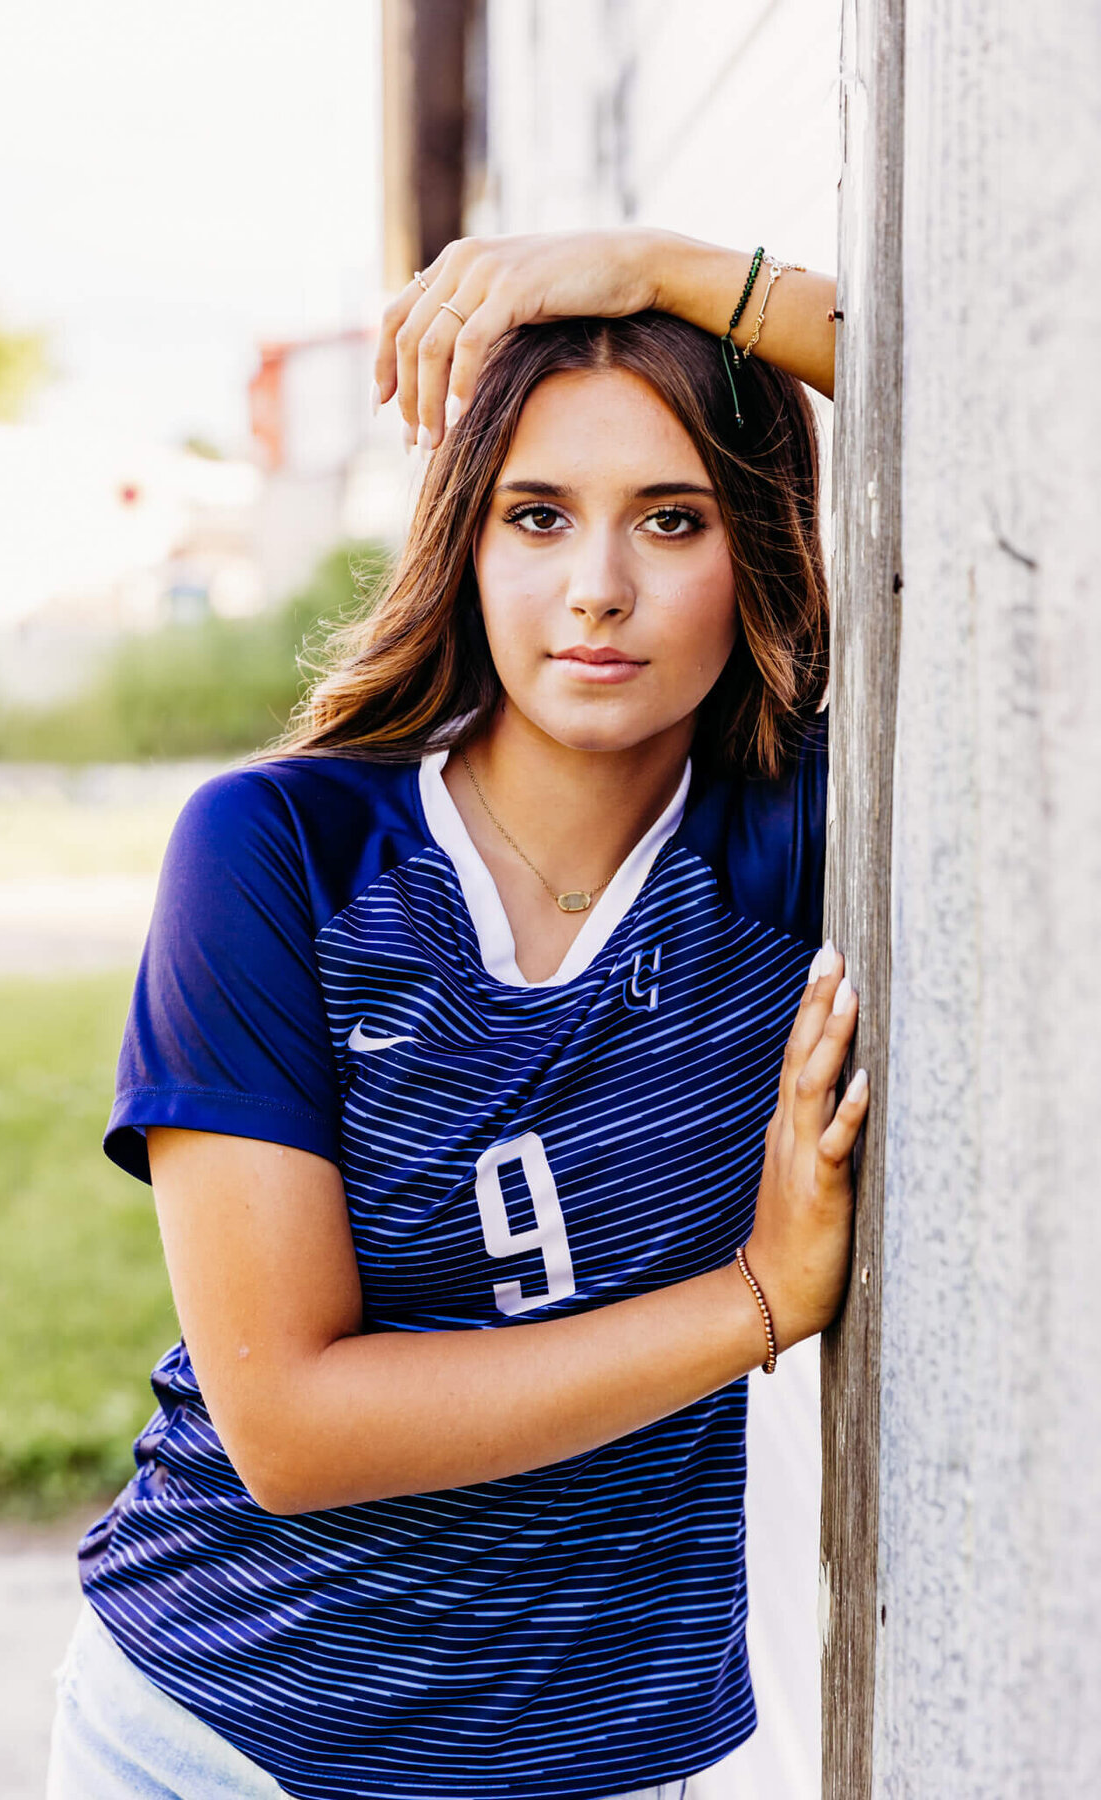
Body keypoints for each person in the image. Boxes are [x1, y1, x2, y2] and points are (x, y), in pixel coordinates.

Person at [46, 228, 867, 1800]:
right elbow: (288, 1421)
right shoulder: (281, 849)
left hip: (596, 1757)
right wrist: (756, 1301)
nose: (599, 590)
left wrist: (652, 266)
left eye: (672, 519)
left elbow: (1023, 426)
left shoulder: (802, 845)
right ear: (466, 544)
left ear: (759, 550)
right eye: (537, 515)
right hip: (220, 1739)